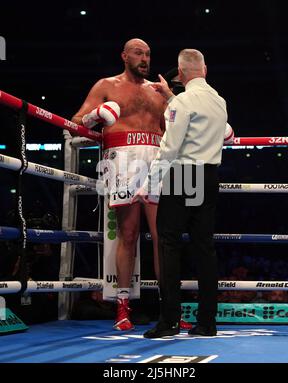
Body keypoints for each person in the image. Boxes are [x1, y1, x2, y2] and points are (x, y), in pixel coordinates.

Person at [71, 38, 192, 331]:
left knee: (162, 236)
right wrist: (95, 116)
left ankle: (170, 310)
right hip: (122, 160)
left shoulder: (157, 91)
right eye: (138, 53)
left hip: (155, 158)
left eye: (148, 54)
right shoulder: (106, 86)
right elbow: (76, 122)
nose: (144, 58)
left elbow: (169, 132)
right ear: (124, 55)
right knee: (127, 234)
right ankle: (122, 308)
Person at [134, 49, 228, 338]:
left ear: (181, 72)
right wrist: (171, 99)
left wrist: (149, 185)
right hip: (209, 175)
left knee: (169, 245)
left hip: (184, 174)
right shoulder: (218, 100)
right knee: (204, 248)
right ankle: (207, 323)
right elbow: (193, 117)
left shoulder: (184, 101)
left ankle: (169, 320)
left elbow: (170, 147)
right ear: (205, 70)